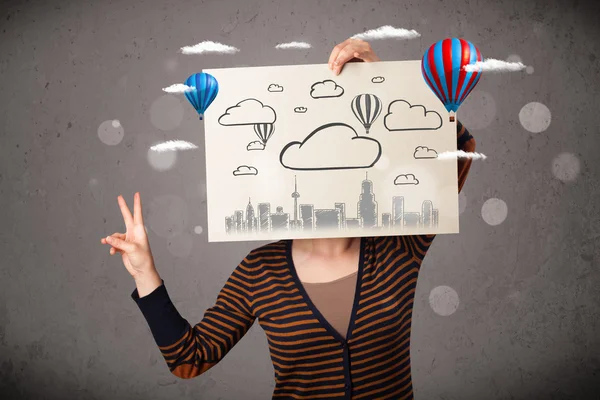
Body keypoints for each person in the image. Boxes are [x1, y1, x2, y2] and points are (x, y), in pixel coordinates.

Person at [101, 38, 477, 400]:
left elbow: (461, 150)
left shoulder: (400, 245)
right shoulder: (259, 272)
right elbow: (188, 360)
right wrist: (145, 273)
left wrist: (388, 84)